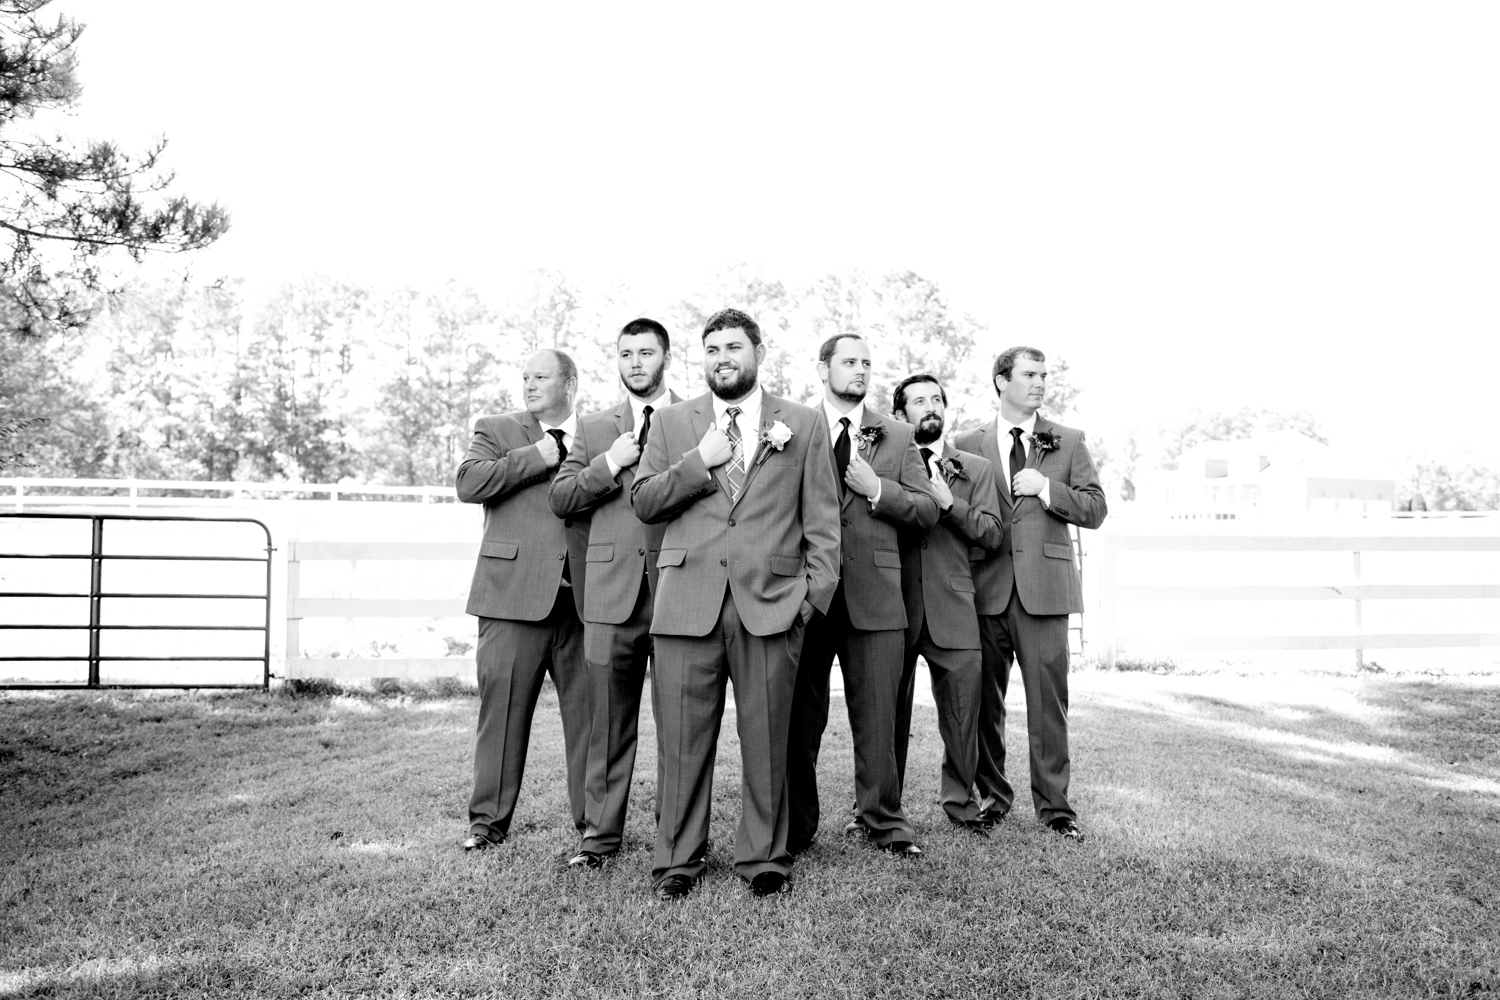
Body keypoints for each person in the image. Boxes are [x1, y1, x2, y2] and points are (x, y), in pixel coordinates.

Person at [631, 308, 840, 900]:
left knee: (769, 739)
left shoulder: (802, 423)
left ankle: (764, 856)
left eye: (733, 347)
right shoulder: (671, 422)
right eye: (712, 349)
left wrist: (810, 600)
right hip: (686, 604)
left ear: (758, 353)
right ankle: (678, 860)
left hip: (773, 605)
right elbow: (644, 501)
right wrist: (699, 461)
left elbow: (823, 521)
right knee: (681, 741)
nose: (722, 358)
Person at [786, 334, 939, 858]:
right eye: (849, 362)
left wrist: (878, 489)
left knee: (878, 718)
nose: (860, 371)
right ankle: (795, 827)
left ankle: (884, 822)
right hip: (808, 596)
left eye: (867, 363)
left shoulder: (898, 435)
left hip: (876, 596)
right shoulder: (792, 428)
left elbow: (927, 510)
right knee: (799, 720)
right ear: (822, 368)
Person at [953, 347, 1107, 841]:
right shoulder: (966, 443)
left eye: (1044, 375)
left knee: (1048, 705)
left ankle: (1056, 809)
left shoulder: (1069, 440)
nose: (1040, 382)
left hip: (1045, 592)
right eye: (1029, 374)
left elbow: (1095, 508)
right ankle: (993, 799)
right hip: (985, 591)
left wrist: (1046, 489)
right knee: (984, 705)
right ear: (1002, 381)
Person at [548, 318, 681, 869]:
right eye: (626, 353)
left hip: (679, 590)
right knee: (605, 725)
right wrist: (609, 463)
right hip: (609, 595)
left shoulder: (695, 420)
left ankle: (674, 836)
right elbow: (562, 498)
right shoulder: (595, 426)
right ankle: (599, 838)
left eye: (645, 352)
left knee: (679, 727)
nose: (635, 363)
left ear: (666, 358)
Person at [456, 348, 591, 851]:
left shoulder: (598, 433)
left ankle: (594, 827)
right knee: (502, 717)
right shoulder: (496, 429)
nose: (529, 384)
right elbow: (469, 483)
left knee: (590, 722)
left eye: (541, 376)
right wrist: (537, 456)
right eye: (525, 376)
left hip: (583, 605)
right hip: (511, 599)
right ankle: (486, 825)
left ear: (569, 384)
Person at [890, 373, 1003, 834]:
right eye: (919, 401)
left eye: (936, 399)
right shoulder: (883, 463)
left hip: (954, 606)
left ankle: (961, 803)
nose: (930, 407)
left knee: (961, 715)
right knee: (886, 716)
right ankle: (878, 808)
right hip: (893, 608)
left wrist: (950, 502)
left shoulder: (974, 468)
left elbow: (992, 534)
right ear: (900, 414)